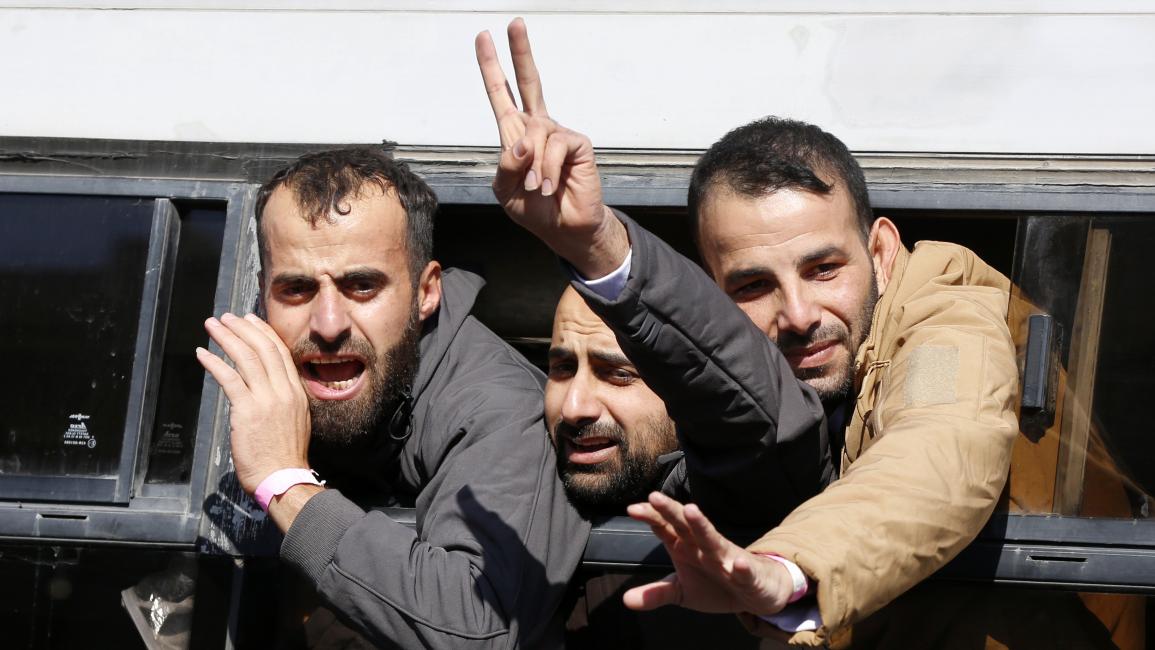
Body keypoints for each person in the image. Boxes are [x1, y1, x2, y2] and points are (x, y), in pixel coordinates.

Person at [472, 18, 1134, 649]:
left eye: (823, 270)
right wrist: (593, 244)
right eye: (753, 286)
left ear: (881, 253)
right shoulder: (778, 385)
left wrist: (788, 568)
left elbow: (938, 448)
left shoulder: (946, 325)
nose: (796, 313)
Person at [195, 147, 587, 649]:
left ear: (426, 292)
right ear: (261, 293)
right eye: (296, 289)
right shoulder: (248, 378)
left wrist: (285, 484)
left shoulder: (498, 405)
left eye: (362, 286)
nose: (328, 325)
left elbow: (478, 628)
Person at [547, 286, 792, 650]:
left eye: (618, 374)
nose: (573, 407)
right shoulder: (516, 475)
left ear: (695, 394)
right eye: (563, 368)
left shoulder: (751, 515)